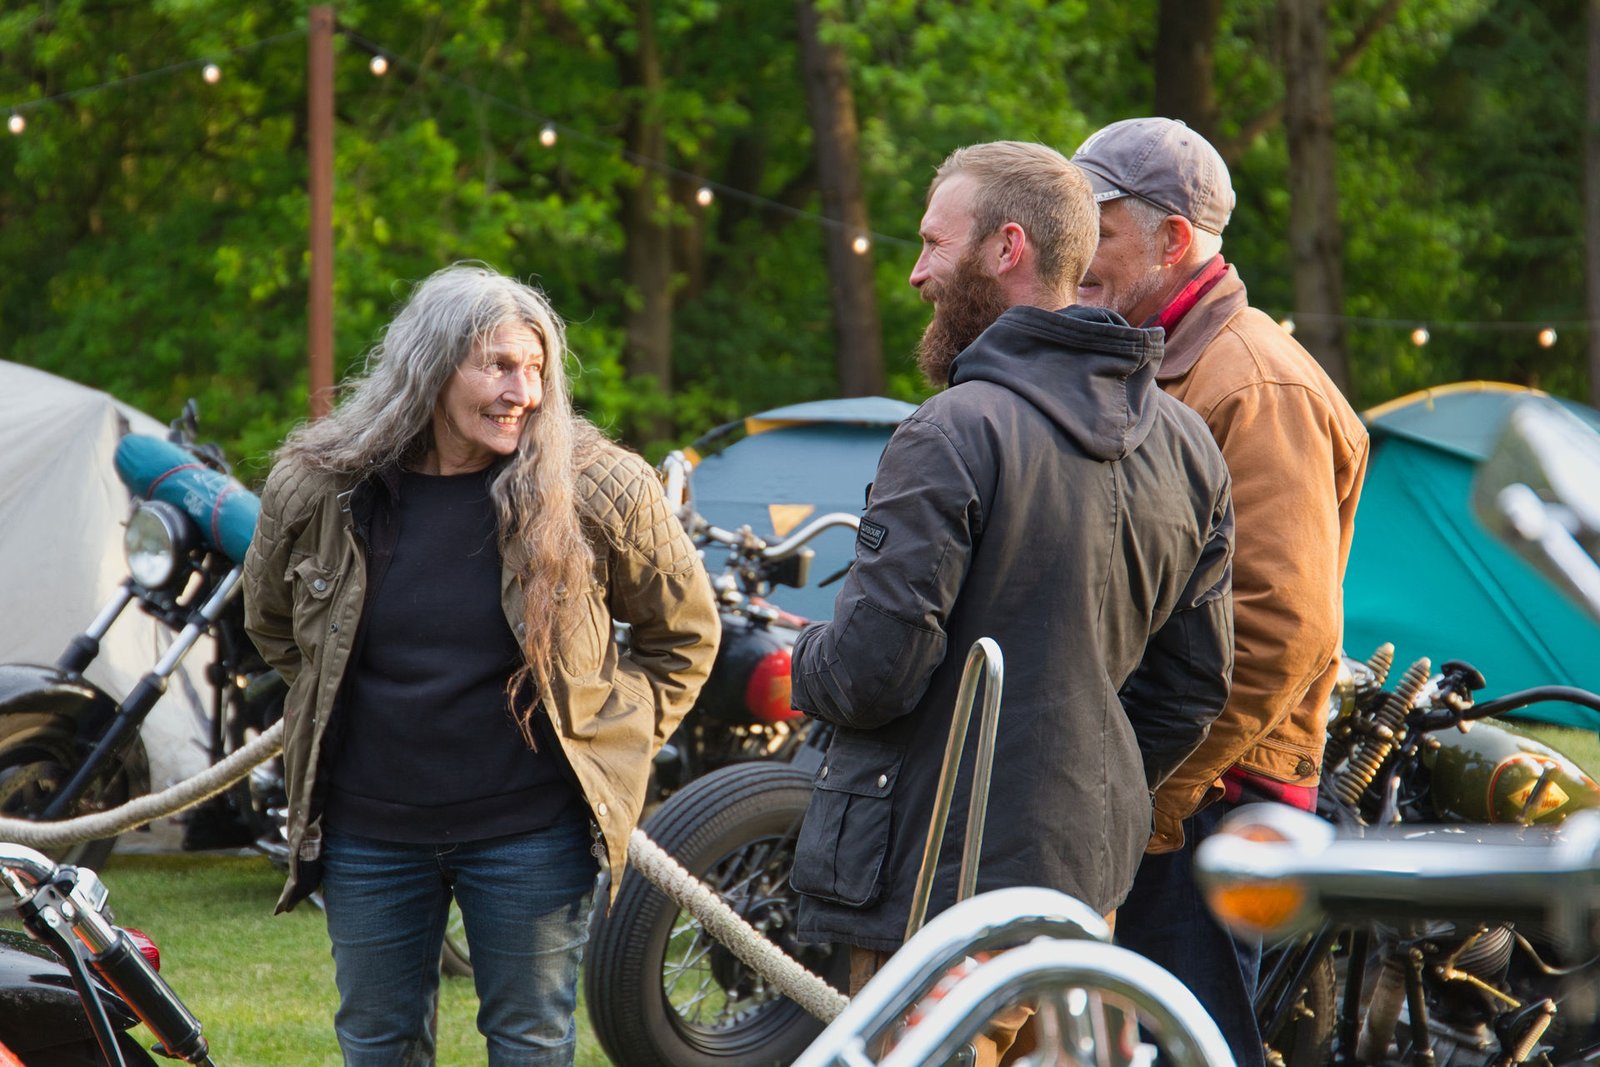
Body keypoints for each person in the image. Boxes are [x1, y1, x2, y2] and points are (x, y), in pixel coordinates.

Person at [788, 141, 1236, 1064]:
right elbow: (1193, 687)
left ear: (1007, 249)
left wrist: (795, 658)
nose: (915, 273)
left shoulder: (951, 430)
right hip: (1085, 895)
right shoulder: (1191, 446)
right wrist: (1089, 781)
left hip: (938, 903)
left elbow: (872, 674)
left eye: (933, 244)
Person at [242, 263, 720, 1066]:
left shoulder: (600, 485)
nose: (522, 391)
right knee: (378, 1043)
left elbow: (685, 635)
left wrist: (613, 735)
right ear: (430, 368)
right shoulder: (319, 484)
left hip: (531, 832)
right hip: (369, 831)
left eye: (536, 368)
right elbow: (272, 621)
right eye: (497, 365)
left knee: (530, 1042)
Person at [1071, 117, 1370, 1065]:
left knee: (1190, 1045)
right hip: (1164, 779)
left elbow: (1281, 630)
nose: (1076, 252)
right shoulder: (1154, 356)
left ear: (1173, 238)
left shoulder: (1256, 385)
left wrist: (1160, 794)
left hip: (1215, 797)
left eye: (1098, 228)